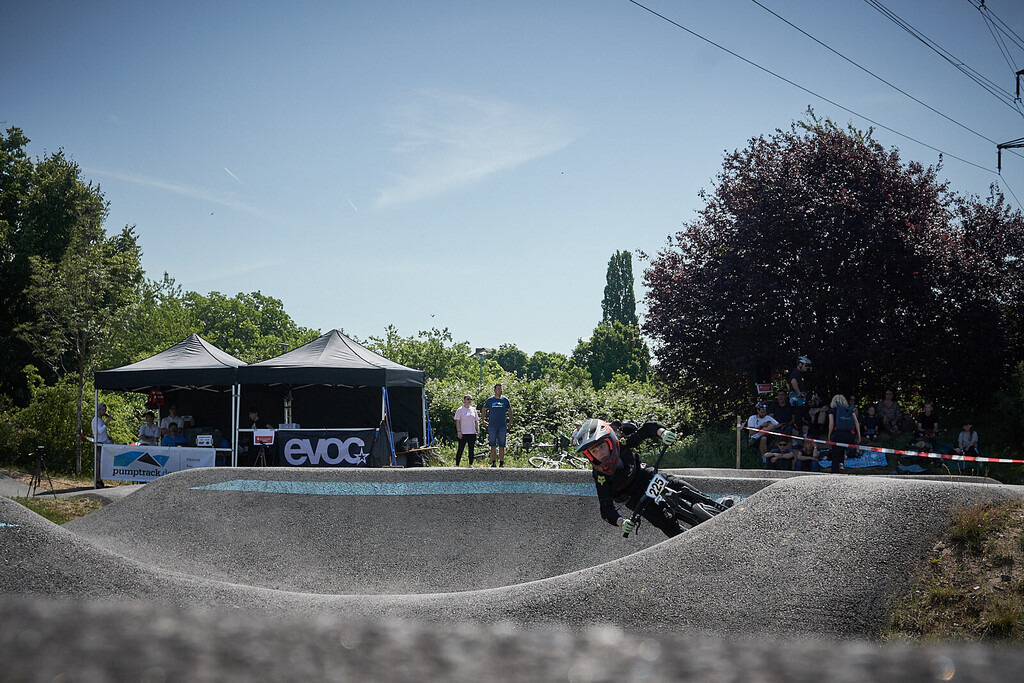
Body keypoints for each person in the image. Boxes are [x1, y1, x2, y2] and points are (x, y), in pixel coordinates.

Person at [575, 418, 728, 538]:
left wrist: (662, 433)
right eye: (594, 451)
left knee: (677, 484)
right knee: (662, 522)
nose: (600, 453)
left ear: (611, 441)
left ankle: (712, 503)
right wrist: (621, 522)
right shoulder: (599, 475)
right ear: (589, 456)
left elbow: (647, 429)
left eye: (602, 446)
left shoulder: (623, 443)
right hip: (631, 496)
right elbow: (606, 508)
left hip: (643, 475)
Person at [827, 394, 861, 473]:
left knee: (836, 453)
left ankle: (835, 470)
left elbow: (831, 423)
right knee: (844, 449)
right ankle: (842, 463)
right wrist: (859, 435)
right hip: (849, 435)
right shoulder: (849, 410)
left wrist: (829, 435)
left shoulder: (832, 411)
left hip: (837, 435)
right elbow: (856, 421)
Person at [482, 383, 512, 467]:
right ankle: (493, 462)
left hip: (502, 426)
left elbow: (510, 410)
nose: (500, 390)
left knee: (502, 445)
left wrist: (510, 422)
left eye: (501, 389)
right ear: (494, 390)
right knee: (493, 445)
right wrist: (483, 420)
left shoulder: (505, 400)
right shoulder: (490, 400)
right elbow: (484, 409)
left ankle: (502, 462)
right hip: (492, 426)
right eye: (498, 389)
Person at [788, 355, 812, 436]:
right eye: (806, 365)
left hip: (799, 400)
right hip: (797, 400)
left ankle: (803, 438)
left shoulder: (799, 374)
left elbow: (788, 384)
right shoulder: (796, 373)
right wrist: (798, 392)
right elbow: (792, 382)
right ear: (800, 364)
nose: (807, 367)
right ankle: (797, 440)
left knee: (804, 418)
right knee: (799, 419)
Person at [454, 394, 480, 467]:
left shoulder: (473, 410)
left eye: (470, 399)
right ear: (464, 400)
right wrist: (458, 431)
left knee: (471, 449)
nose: (469, 401)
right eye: (468, 399)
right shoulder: (460, 410)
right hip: (463, 432)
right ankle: (457, 464)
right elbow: (457, 421)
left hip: (472, 432)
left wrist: (478, 430)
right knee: (460, 448)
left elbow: (476, 420)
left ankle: (471, 464)